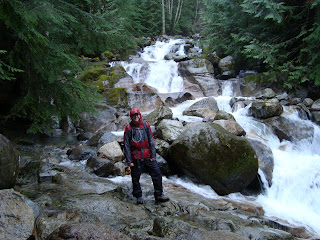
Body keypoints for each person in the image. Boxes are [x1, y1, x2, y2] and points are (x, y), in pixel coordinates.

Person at [124, 108, 169, 204]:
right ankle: (138, 195)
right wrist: (129, 161)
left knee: (157, 174)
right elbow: (126, 145)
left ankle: (159, 194)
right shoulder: (129, 128)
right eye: (134, 115)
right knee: (135, 177)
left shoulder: (146, 125)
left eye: (137, 115)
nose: (136, 117)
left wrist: (153, 155)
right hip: (135, 157)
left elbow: (151, 141)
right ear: (131, 117)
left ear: (140, 115)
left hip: (148, 155)